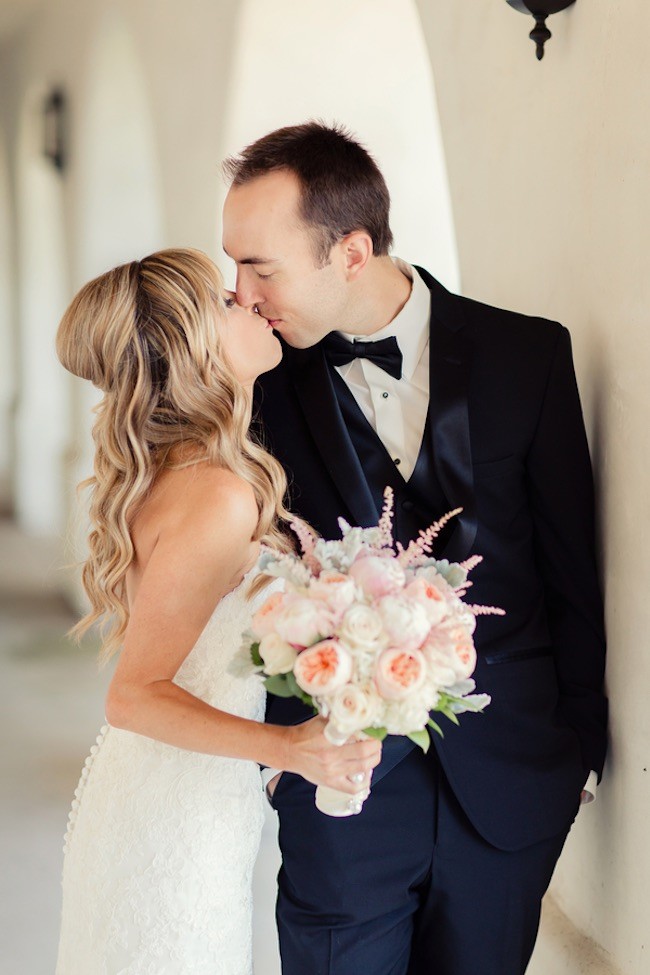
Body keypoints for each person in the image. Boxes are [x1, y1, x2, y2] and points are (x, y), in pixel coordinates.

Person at [221, 122, 608, 975]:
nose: (240, 292)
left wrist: (576, 752)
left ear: (350, 252)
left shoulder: (529, 354)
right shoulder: (251, 381)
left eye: (260, 265)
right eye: (233, 263)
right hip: (341, 791)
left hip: (509, 791)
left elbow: (571, 568)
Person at [54, 247, 381, 975]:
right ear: (194, 348)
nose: (250, 300)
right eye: (227, 302)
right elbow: (133, 695)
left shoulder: (197, 472)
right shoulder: (217, 494)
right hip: (170, 823)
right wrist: (292, 749)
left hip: (183, 798)